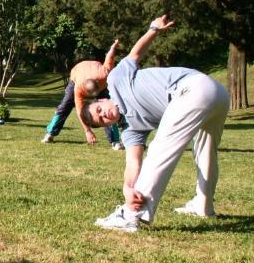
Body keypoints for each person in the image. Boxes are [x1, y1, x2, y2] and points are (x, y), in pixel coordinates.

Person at [87, 15, 230, 232]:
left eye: (99, 109)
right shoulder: (131, 129)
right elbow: (133, 163)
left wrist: (153, 29)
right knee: (206, 152)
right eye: (100, 121)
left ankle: (131, 215)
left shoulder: (116, 80)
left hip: (195, 88)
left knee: (160, 148)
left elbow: (136, 54)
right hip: (215, 97)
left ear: (102, 99)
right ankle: (203, 205)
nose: (104, 115)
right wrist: (127, 188)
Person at [42, 38, 123, 149]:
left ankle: (116, 141)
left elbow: (110, 57)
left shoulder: (104, 75)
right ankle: (50, 134)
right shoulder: (78, 89)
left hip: (95, 70)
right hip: (76, 76)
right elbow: (80, 111)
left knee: (108, 109)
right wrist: (87, 131)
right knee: (64, 107)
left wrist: (113, 47)